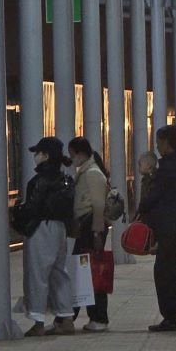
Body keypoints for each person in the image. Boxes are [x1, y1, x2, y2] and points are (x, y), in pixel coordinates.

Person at [137, 125, 176, 332]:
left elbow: (156, 194)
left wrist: (141, 208)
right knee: (168, 270)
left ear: (167, 142)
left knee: (164, 272)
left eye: (159, 141)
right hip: (174, 226)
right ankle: (173, 316)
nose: (157, 146)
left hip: (169, 227)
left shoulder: (168, 166)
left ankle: (172, 317)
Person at [21, 137, 76, 337]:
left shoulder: (38, 181)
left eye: (38, 153)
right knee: (59, 273)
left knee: (37, 274)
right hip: (60, 228)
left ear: (45, 155)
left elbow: (32, 208)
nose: (35, 156)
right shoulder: (66, 180)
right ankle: (66, 318)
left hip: (40, 228)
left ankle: (38, 322)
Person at [68, 137, 110, 332]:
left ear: (80, 153)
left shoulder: (92, 173)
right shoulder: (86, 171)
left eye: (72, 154)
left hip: (91, 228)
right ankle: (72, 316)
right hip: (88, 228)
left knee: (92, 273)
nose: (71, 158)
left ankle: (98, 317)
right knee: (83, 272)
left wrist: (96, 232)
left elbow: (99, 204)